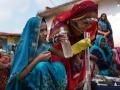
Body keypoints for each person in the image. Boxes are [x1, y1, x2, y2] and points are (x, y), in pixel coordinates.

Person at [6, 17, 67, 90]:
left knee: (58, 65)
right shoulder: (23, 49)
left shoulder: (44, 45)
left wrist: (63, 42)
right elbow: (19, 76)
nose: (45, 33)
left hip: (43, 86)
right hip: (26, 86)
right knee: (41, 66)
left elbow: (63, 55)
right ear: (32, 32)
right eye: (41, 31)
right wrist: (38, 59)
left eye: (45, 30)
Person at [49, 0, 97, 89]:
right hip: (60, 62)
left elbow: (81, 53)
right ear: (76, 19)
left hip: (72, 59)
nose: (88, 26)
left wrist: (83, 53)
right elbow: (61, 54)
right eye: (85, 22)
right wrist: (77, 48)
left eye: (91, 23)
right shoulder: (62, 29)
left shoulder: (82, 31)